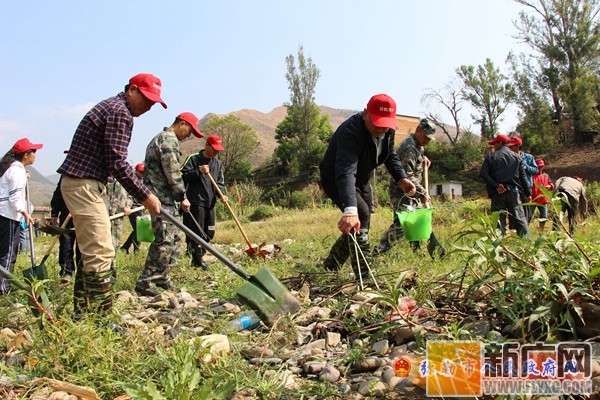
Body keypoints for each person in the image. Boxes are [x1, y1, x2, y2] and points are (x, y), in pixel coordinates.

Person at [57, 73, 164, 316]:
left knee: (91, 251)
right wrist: (146, 195)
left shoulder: (115, 108)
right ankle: (99, 319)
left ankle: (83, 313)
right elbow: (117, 162)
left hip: (86, 183)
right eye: (146, 99)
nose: (149, 106)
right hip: (84, 184)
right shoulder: (119, 112)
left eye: (153, 103)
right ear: (132, 90)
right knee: (101, 251)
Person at [319, 94, 415, 281]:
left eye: (385, 124)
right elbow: (345, 171)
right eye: (377, 123)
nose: (381, 128)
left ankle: (331, 264)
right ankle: (365, 276)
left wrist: (401, 178)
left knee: (363, 222)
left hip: (361, 178)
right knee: (359, 214)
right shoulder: (350, 132)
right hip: (337, 178)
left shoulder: (387, 130)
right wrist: (349, 210)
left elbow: (390, 155)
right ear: (365, 114)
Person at [135, 112, 202, 296]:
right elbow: (173, 172)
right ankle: (146, 281)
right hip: (161, 198)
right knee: (164, 240)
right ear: (182, 124)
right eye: (189, 130)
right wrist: (182, 196)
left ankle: (162, 277)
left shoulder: (162, 138)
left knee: (176, 239)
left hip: (165, 199)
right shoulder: (168, 140)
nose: (189, 135)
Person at [375, 118, 446, 259]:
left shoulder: (419, 146)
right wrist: (423, 193)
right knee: (403, 224)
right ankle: (378, 252)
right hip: (401, 192)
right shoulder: (409, 147)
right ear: (418, 130)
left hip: (413, 192)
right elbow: (407, 176)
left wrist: (423, 158)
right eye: (426, 137)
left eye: (429, 138)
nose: (427, 140)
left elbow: (416, 160)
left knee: (417, 222)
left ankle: (417, 252)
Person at [0, 138, 42, 294]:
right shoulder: (17, 172)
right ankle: (4, 289)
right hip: (9, 216)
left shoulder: (11, 169)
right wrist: (25, 213)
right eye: (34, 152)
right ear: (26, 155)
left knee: (3, 252)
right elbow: (15, 198)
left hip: (3, 215)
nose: (35, 156)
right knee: (9, 253)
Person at [181, 135, 228, 269]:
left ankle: (194, 251)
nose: (216, 152)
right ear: (207, 145)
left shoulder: (217, 163)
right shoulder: (194, 159)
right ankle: (197, 261)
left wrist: (222, 195)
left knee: (210, 233)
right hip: (196, 202)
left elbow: (220, 183)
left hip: (210, 203)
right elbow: (181, 176)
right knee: (197, 233)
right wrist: (198, 171)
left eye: (218, 150)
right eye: (214, 149)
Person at [480, 134, 530, 237]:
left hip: (498, 193)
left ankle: (499, 245)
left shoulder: (491, 156)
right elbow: (523, 177)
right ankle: (527, 244)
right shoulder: (517, 157)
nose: (493, 146)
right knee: (520, 218)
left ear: (500, 143)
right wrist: (528, 193)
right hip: (514, 193)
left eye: (494, 143)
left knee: (498, 220)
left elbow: (483, 173)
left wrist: (496, 185)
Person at [50, 175, 79, 283]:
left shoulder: (88, 173)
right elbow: (58, 194)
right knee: (66, 245)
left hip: (83, 215)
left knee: (83, 247)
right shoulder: (66, 176)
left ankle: (82, 273)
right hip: (66, 215)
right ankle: (67, 272)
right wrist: (54, 213)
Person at [508, 137, 538, 223]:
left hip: (526, 189)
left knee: (526, 212)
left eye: (512, 146)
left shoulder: (529, 158)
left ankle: (525, 231)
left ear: (518, 146)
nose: (510, 148)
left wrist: (524, 167)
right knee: (515, 212)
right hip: (514, 188)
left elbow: (535, 170)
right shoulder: (509, 158)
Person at [121, 163, 145, 254]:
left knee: (138, 229)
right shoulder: (131, 180)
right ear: (136, 170)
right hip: (132, 208)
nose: (142, 174)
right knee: (139, 229)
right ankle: (136, 251)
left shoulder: (142, 180)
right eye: (141, 172)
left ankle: (125, 247)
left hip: (140, 207)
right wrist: (127, 206)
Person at [530, 158, 554, 232]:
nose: (540, 168)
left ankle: (541, 231)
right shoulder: (531, 176)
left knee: (544, 216)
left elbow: (551, 184)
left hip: (543, 199)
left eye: (541, 167)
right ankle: (526, 231)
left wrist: (549, 186)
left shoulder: (546, 176)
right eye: (539, 167)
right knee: (529, 216)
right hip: (533, 199)